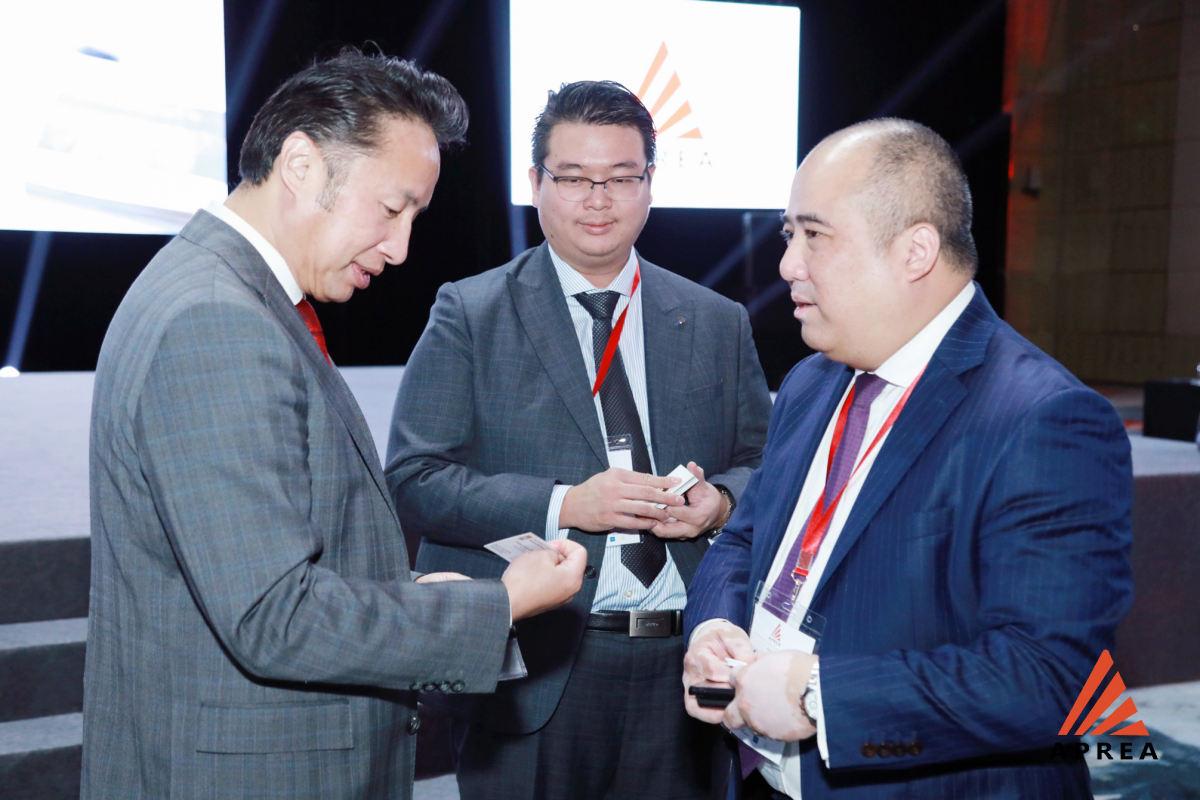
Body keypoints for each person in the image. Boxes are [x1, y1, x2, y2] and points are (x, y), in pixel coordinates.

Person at [82, 49, 586, 800]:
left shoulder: (216, 290)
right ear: (301, 165)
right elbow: (273, 616)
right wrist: (499, 603)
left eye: (414, 218)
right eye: (391, 208)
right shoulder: (217, 321)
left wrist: (411, 589)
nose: (401, 248)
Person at [682, 118, 1133, 799]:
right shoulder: (810, 383)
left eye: (814, 235)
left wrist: (820, 697)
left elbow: (1051, 678)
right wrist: (717, 623)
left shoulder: (1043, 417)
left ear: (915, 251)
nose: (788, 265)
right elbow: (746, 541)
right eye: (788, 234)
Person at [385, 80, 772, 799]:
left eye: (621, 178)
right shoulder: (471, 312)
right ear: (537, 184)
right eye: (574, 178)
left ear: (649, 184)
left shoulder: (717, 320)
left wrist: (719, 503)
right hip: (542, 665)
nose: (600, 199)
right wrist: (566, 504)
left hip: (685, 664)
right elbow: (415, 477)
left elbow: (767, 468)